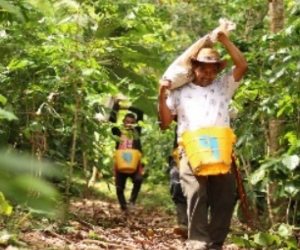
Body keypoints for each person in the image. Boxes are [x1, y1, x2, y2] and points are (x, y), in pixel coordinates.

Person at [158, 31, 248, 250]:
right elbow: (166, 123)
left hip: (220, 148)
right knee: (196, 193)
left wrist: (224, 39)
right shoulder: (179, 92)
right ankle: (198, 241)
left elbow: (242, 65)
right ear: (194, 69)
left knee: (225, 197)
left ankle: (216, 243)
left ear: (217, 71)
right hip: (190, 149)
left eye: (212, 69)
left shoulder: (223, 87)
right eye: (203, 69)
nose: (207, 74)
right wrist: (161, 94)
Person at [109, 98, 144, 212]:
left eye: (131, 122)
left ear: (134, 123)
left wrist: (126, 107)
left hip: (134, 161)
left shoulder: (136, 131)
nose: (129, 124)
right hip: (121, 161)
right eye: (127, 122)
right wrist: (116, 105)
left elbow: (140, 112)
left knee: (138, 180)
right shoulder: (118, 131)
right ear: (123, 122)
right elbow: (112, 120)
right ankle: (124, 207)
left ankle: (132, 201)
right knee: (119, 187)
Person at [169, 125, 188, 238]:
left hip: (205, 148)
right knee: (178, 186)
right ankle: (183, 224)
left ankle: (198, 226)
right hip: (181, 151)